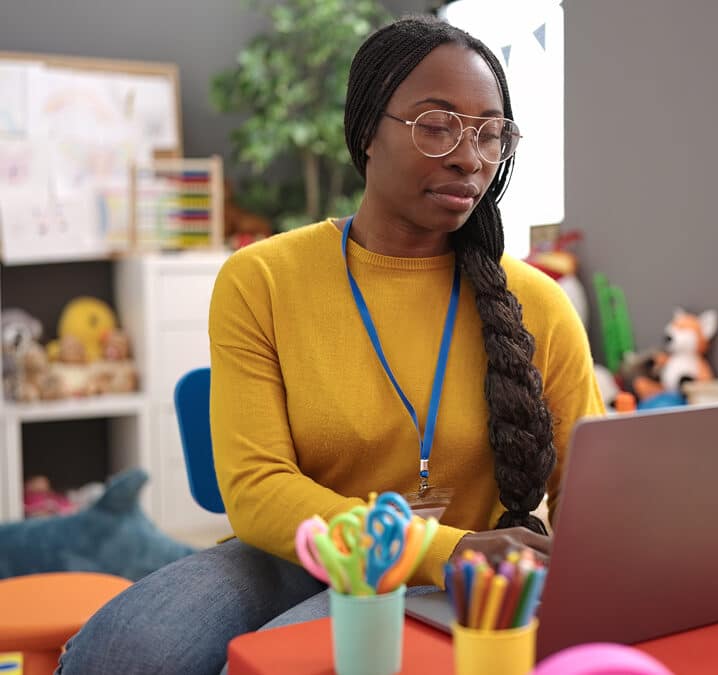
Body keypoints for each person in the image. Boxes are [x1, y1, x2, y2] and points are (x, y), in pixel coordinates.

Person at [58, 14, 604, 675]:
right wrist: (440, 544)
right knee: (121, 652)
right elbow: (258, 490)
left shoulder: (538, 303)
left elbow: (595, 497)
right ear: (368, 129)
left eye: (492, 135)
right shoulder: (261, 278)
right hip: (297, 552)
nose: (471, 157)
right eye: (438, 126)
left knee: (271, 665)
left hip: (463, 574)